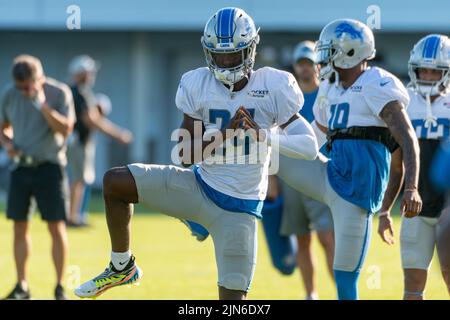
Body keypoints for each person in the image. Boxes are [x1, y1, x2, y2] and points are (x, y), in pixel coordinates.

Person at [75, 7, 319, 300]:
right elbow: (184, 155)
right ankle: (121, 265)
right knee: (115, 182)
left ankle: (197, 229)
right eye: (219, 55)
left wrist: (263, 135)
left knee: (232, 302)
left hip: (239, 208)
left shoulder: (274, 85)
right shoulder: (197, 83)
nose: (225, 62)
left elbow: (309, 146)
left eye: (233, 55)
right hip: (199, 188)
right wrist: (225, 133)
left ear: (250, 50)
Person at [276, 19, 422, 300]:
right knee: (265, 147)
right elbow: (314, 142)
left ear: (351, 51)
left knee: (344, 279)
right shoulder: (330, 87)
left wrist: (411, 188)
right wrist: (275, 138)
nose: (324, 58)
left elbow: (407, 139)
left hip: (356, 193)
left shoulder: (376, 83)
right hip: (329, 174)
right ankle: (210, 194)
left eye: (330, 51)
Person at [378, 34, 450, 299]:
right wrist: (385, 210)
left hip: (448, 206)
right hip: (414, 208)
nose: (429, 76)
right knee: (412, 282)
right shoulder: (404, 102)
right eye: (424, 70)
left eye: (435, 71)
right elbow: (397, 165)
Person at [0, 55, 75, 300]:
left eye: (28, 86)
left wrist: (42, 105)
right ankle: (22, 286)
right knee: (19, 226)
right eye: (19, 86)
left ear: (39, 78)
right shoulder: (10, 94)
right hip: (21, 168)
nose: (23, 91)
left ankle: (59, 286)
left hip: (50, 168)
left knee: (55, 226)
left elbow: (66, 129)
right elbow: (3, 127)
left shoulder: (59, 93)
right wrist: (8, 144)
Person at [274, 40, 335, 300]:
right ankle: (311, 294)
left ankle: (342, 292)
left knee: (326, 237)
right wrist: (272, 179)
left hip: (320, 176)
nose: (305, 69)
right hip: (291, 178)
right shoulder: (288, 100)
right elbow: (274, 140)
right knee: (302, 239)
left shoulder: (328, 96)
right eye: (301, 64)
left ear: (318, 67)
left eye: (309, 63)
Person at [67, 55, 133, 226]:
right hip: (78, 142)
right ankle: (73, 217)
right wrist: (118, 134)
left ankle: (74, 215)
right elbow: (91, 119)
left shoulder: (74, 91)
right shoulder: (80, 92)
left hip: (74, 141)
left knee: (78, 179)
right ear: (81, 73)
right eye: (89, 72)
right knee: (78, 179)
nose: (92, 75)